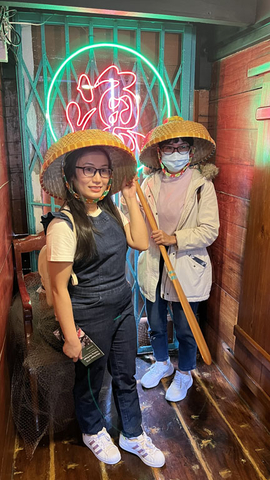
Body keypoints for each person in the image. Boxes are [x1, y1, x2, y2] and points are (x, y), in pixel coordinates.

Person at [39, 129, 165, 467]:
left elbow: (139, 241)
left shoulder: (111, 210)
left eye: (104, 170)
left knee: (125, 373)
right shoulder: (63, 226)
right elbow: (60, 288)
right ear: (70, 176)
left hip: (123, 305)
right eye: (88, 169)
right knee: (92, 379)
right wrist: (70, 337)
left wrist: (130, 196)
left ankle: (133, 433)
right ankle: (92, 430)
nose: (98, 178)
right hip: (88, 314)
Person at [137, 116, 219, 402]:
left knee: (185, 326)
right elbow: (133, 218)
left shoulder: (201, 186)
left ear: (191, 152)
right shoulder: (147, 184)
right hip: (154, 264)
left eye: (181, 147)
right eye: (169, 148)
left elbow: (210, 230)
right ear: (159, 153)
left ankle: (184, 373)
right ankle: (161, 363)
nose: (176, 153)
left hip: (184, 265)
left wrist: (174, 239)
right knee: (156, 322)